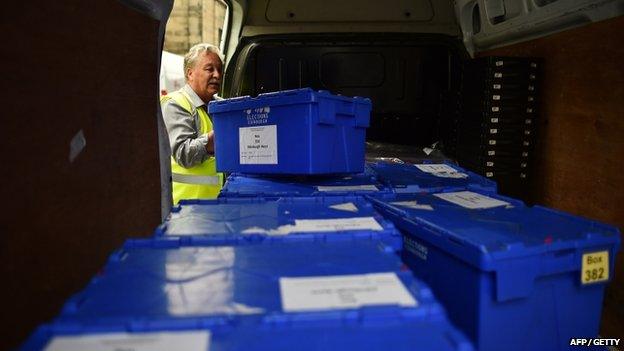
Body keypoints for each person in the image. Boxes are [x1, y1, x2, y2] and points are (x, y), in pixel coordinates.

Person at [161, 43, 224, 204]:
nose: (217, 75)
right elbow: (184, 154)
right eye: (210, 69)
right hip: (187, 209)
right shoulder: (175, 104)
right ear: (190, 74)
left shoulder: (222, 106)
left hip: (217, 206)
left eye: (219, 69)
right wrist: (223, 135)